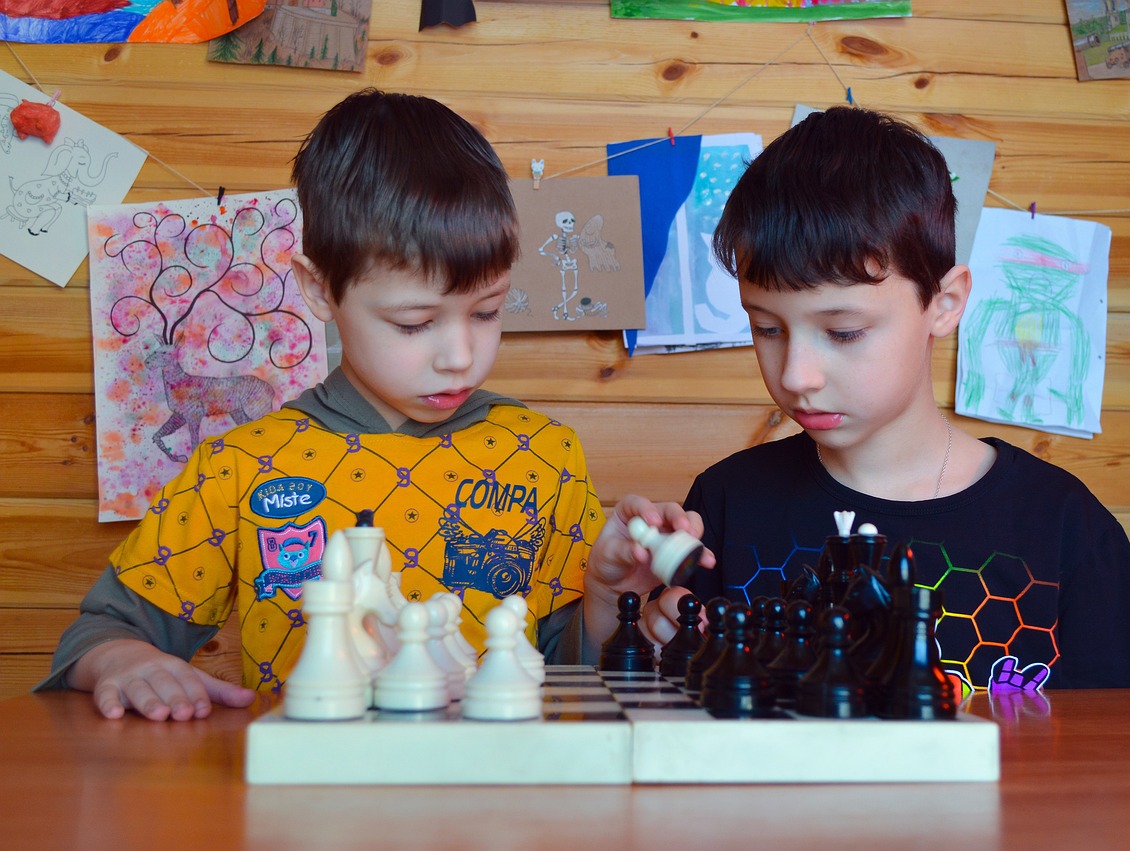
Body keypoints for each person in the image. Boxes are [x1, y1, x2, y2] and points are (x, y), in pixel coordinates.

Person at [38, 89, 700, 721]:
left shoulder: (544, 455)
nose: (460, 355)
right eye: (414, 323)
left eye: (489, 310)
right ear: (319, 288)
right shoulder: (238, 466)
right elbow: (99, 631)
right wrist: (122, 658)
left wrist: (612, 597)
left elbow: (569, 669)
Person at [636, 106, 1130, 691]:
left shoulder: (1063, 527)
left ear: (944, 304)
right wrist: (641, 632)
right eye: (767, 328)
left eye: (844, 332)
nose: (796, 375)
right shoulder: (726, 503)